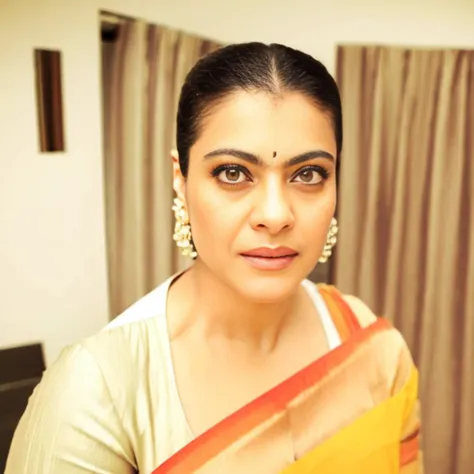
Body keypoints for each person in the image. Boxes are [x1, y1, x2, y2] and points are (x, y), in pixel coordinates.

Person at [5, 42, 422, 473]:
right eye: (233, 173)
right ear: (180, 181)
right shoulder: (96, 391)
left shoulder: (371, 346)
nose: (276, 215)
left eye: (308, 174)